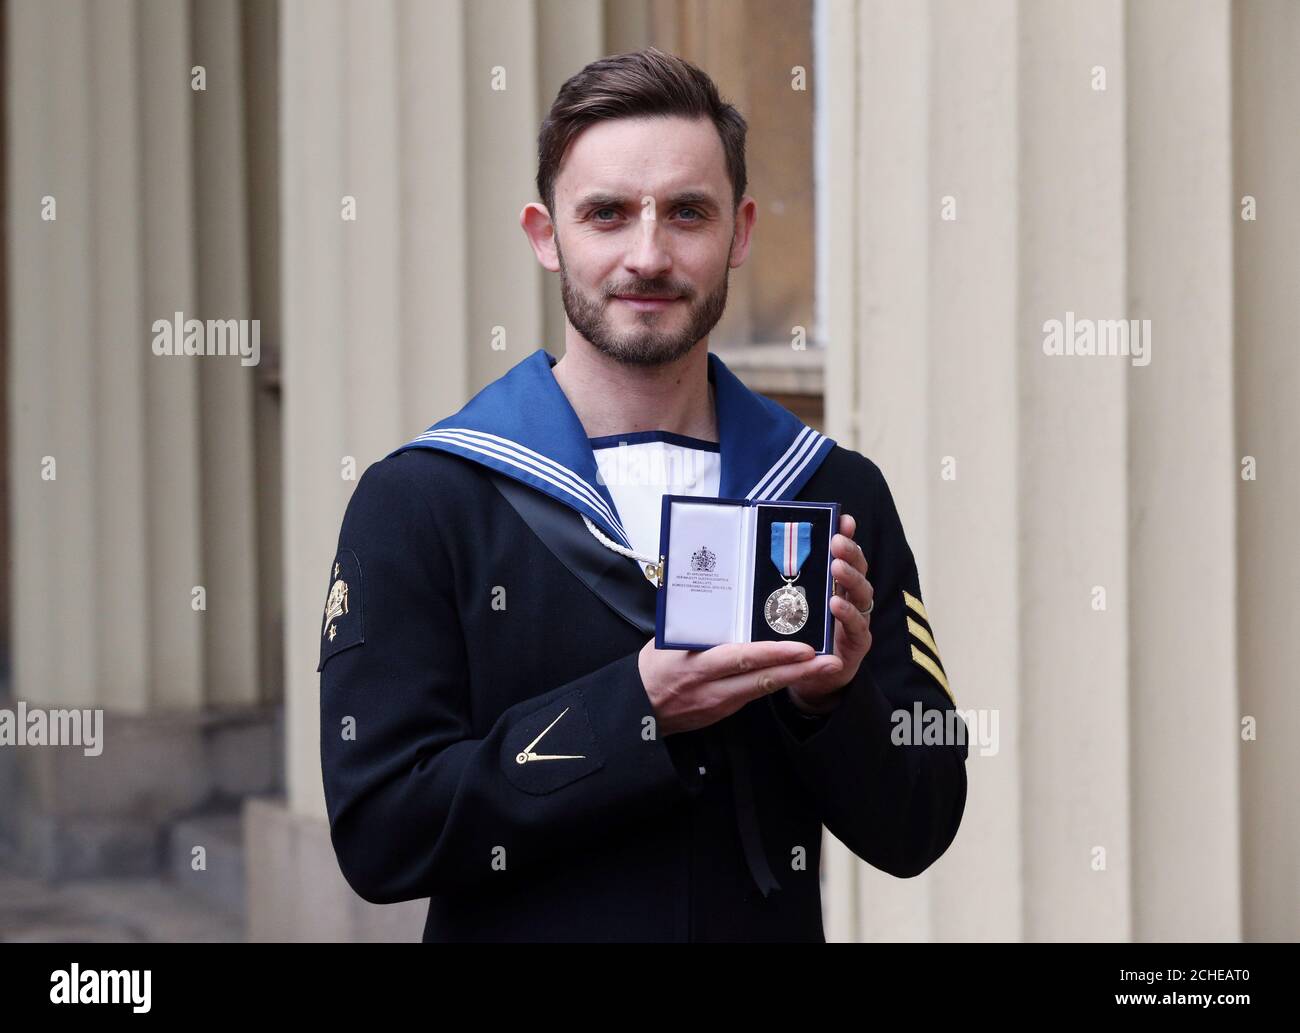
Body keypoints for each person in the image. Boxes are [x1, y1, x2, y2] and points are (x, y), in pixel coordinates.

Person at [319, 46, 967, 942]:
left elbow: (919, 826)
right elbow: (381, 833)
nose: (648, 254)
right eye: (607, 214)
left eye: (687, 212)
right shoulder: (426, 500)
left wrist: (832, 703)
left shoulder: (829, 490)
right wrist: (635, 709)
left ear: (739, 232)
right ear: (547, 236)